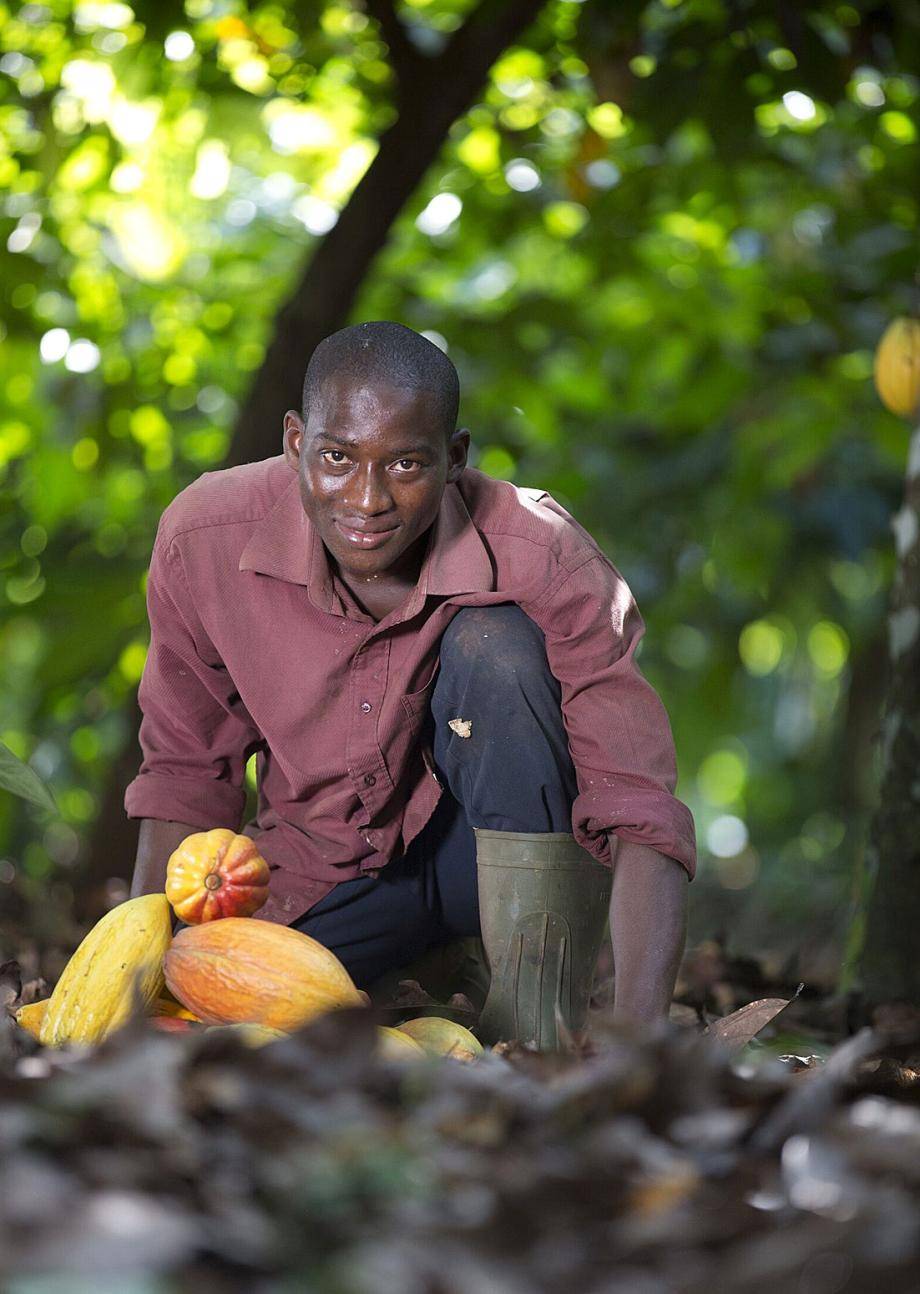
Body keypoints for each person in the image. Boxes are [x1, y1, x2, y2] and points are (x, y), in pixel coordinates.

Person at [126, 320, 696, 1043]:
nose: (367, 500)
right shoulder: (204, 538)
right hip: (324, 871)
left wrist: (639, 1040)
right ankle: (437, 966)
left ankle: (531, 1020)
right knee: (243, 1025)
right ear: (296, 442)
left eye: (405, 466)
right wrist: (138, 976)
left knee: (497, 645)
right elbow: (184, 771)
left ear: (454, 458)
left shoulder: (540, 552)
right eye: (337, 457)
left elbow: (638, 800)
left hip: (492, 854)